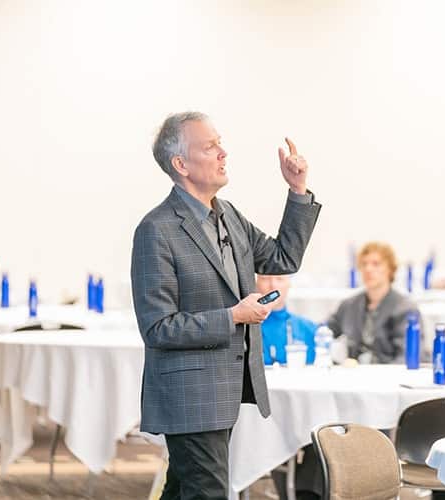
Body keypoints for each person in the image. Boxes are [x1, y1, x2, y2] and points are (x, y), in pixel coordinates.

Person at [131, 112, 321, 499]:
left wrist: (297, 190)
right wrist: (233, 317)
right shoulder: (156, 230)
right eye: (210, 146)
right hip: (188, 395)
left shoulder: (229, 216)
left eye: (220, 142)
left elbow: (283, 259)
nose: (223, 152)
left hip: (222, 391)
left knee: (184, 488)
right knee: (207, 492)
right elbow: (158, 327)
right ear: (180, 165)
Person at [326, 242, 418, 364]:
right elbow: (323, 331)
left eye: (376, 264)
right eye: (364, 264)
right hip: (354, 374)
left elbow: (407, 357)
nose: (368, 269)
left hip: (390, 377)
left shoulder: (405, 309)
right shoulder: (349, 305)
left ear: (390, 269)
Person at [256, 274, 317, 365]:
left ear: (289, 283)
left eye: (280, 278)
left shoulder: (309, 329)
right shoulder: (244, 328)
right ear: (255, 283)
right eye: (265, 278)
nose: (273, 285)